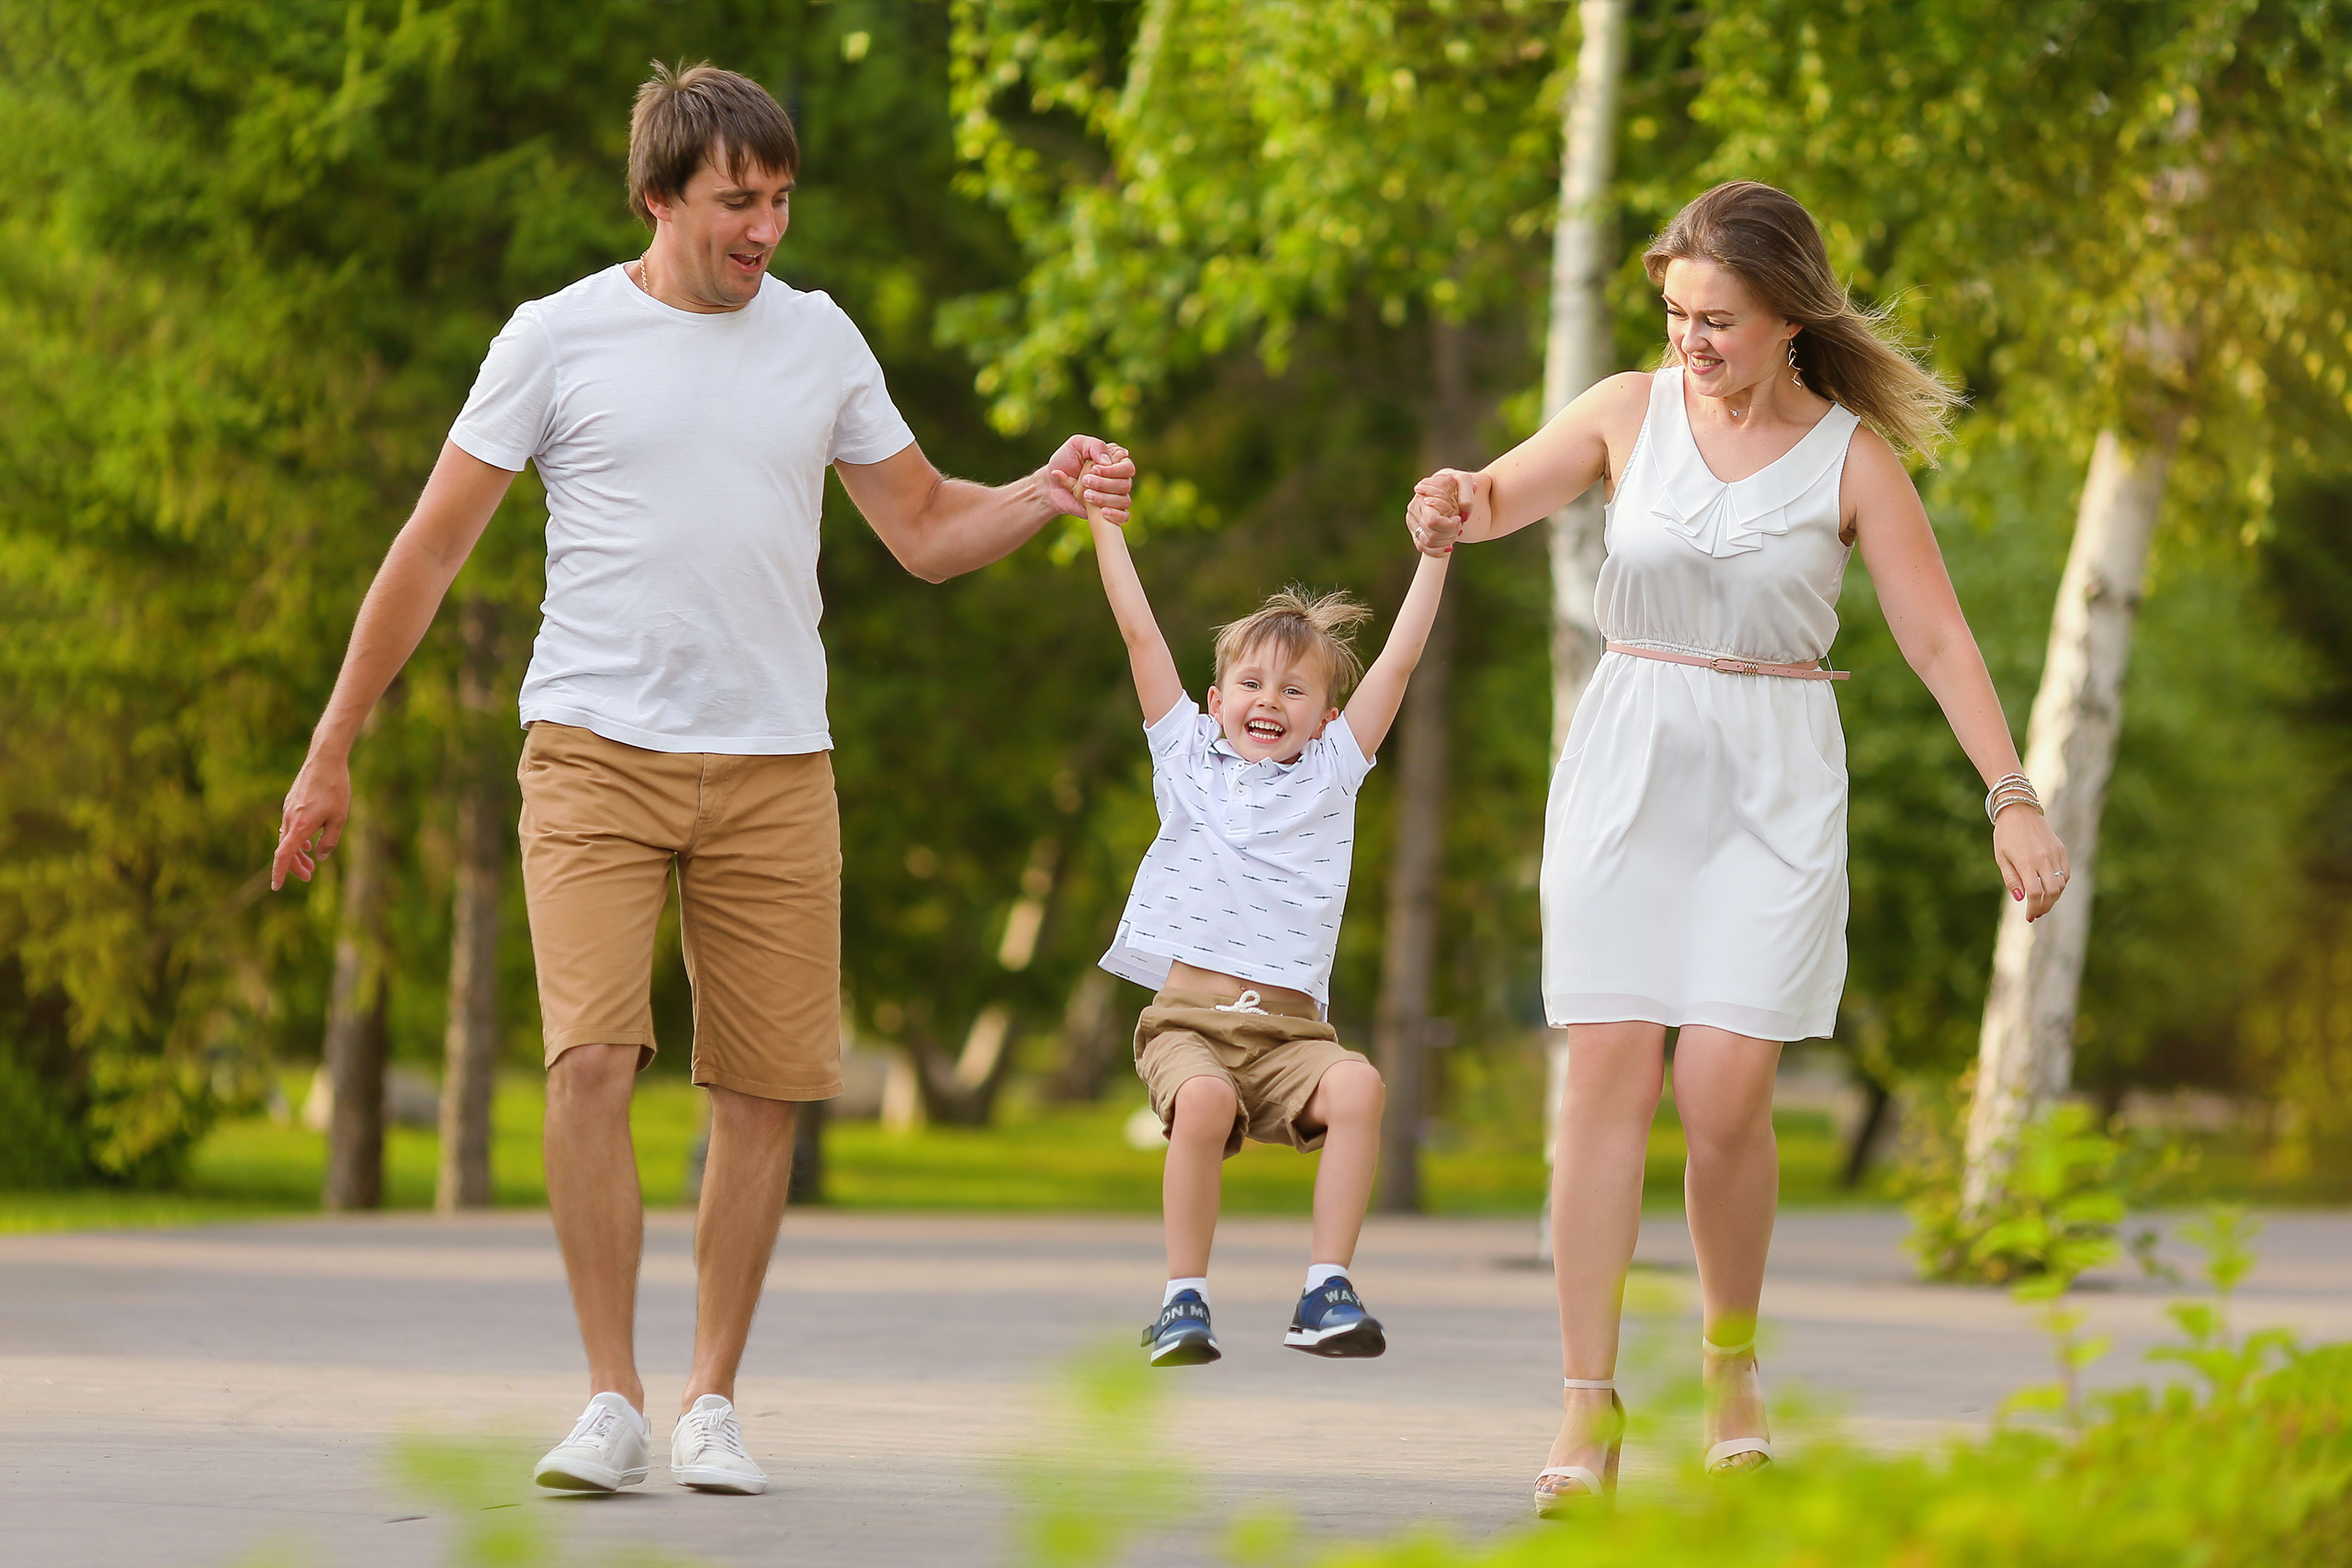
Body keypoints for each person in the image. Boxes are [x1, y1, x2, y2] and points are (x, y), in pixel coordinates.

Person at [267, 63, 1134, 1495]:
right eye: (740, 201)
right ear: (659, 197)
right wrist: (332, 741)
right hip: (595, 751)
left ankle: (710, 1397)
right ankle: (608, 1396)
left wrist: (1039, 491)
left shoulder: (821, 341)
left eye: (783, 200)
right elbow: (428, 551)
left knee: (765, 1088)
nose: (767, 229)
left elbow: (921, 529)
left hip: (776, 762)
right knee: (593, 1057)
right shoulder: (557, 339)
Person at [1404, 181, 2070, 1513]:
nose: (1692, 338)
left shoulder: (1852, 460)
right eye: (1676, 311)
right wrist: (1455, 497)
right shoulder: (1625, 412)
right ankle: (1586, 1401)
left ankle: (1730, 1360)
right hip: (1629, 759)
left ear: (1786, 321)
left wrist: (2012, 790)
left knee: (1723, 1093)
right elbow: (1495, 495)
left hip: (1772, 780)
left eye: (1718, 319)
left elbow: (1937, 638)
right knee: (1604, 1076)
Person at [1082, 466, 1451, 1367]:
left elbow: (1398, 661)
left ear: (1326, 717)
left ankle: (1325, 1289)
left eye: (1294, 693)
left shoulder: (1333, 773)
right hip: (1188, 1023)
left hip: (1291, 1036)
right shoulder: (1186, 760)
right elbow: (1137, 633)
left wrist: (1435, 556)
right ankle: (1182, 1302)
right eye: (1250, 685)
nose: (1268, 704)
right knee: (1202, 1105)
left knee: (1359, 1085)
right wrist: (1103, 523)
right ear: (1214, 703)